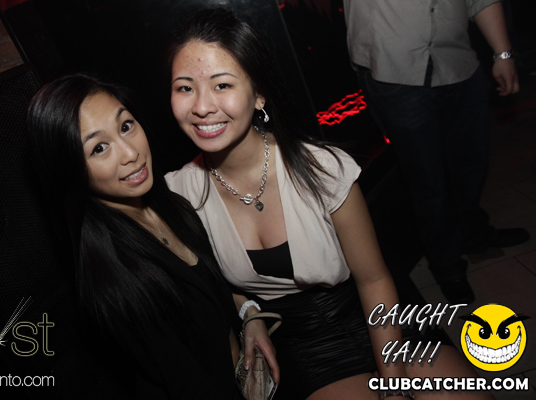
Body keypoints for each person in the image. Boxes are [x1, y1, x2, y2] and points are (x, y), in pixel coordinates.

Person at [165, 8, 494, 400]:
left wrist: (393, 388)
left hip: (379, 315)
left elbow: (374, 280)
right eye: (185, 88)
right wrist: (249, 313)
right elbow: (212, 284)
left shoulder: (323, 169)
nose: (202, 106)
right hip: (302, 342)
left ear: (259, 94)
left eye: (222, 85)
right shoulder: (181, 196)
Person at [26, 73, 251, 399]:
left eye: (126, 126)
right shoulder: (115, 279)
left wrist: (251, 318)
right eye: (99, 148)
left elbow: (217, 298)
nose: (130, 152)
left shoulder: (174, 207)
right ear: (70, 170)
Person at [342, 0, 529, 304]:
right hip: (395, 72)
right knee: (428, 181)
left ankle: (475, 235)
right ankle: (447, 266)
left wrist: (502, 53)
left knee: (471, 163)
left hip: (459, 61)